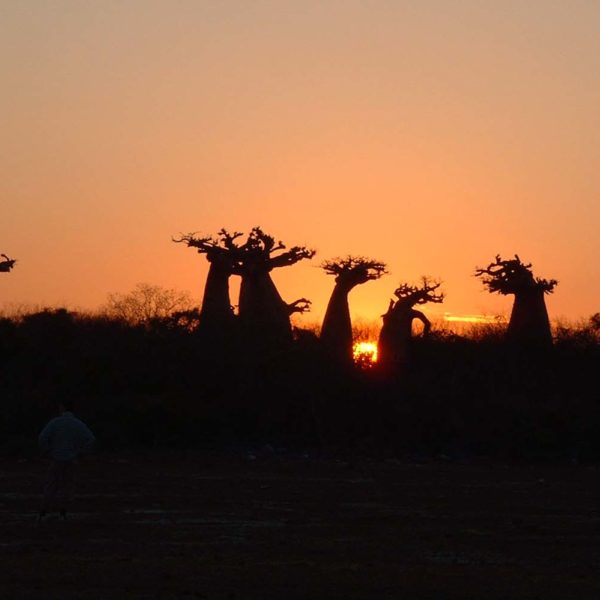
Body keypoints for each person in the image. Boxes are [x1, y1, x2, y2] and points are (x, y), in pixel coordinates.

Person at [38, 400, 96, 521]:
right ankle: (63, 513)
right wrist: (81, 452)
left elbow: (42, 437)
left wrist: (47, 451)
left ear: (62, 408)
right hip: (72, 459)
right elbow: (91, 439)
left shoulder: (55, 422)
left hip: (56, 458)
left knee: (51, 485)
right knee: (68, 486)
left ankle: (44, 512)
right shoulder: (78, 424)